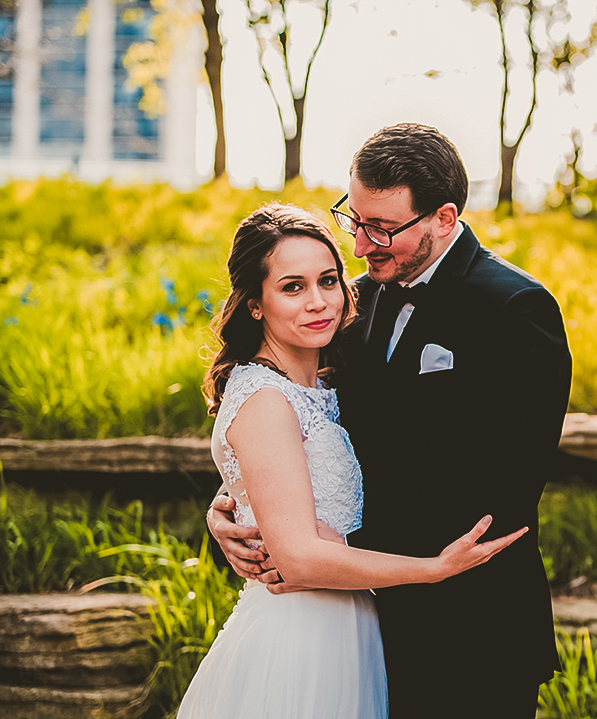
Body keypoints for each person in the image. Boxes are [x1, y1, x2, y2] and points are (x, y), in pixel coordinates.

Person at [209, 124, 573, 718]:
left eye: (382, 229)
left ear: (444, 218)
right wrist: (236, 511)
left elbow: (502, 484)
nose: (360, 245)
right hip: (356, 623)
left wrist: (310, 547)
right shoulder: (348, 303)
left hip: (468, 630)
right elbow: (298, 427)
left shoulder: (514, 310)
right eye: (355, 220)